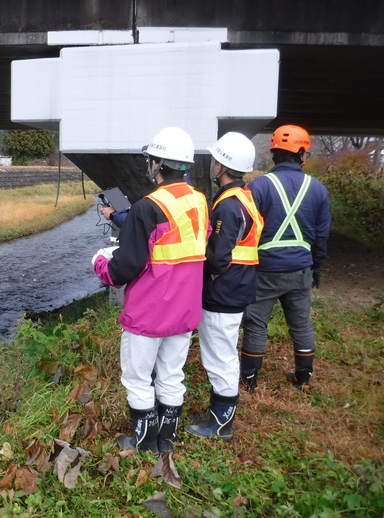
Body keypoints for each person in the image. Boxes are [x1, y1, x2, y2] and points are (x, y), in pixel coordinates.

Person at [92, 126, 209, 454]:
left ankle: (144, 443)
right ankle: (166, 440)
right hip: (184, 309)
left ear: (158, 164)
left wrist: (101, 263)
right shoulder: (199, 202)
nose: (149, 165)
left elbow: (126, 266)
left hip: (149, 310)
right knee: (172, 374)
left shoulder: (148, 206)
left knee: (138, 377)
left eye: (151, 160)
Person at [184, 132, 263, 441]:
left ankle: (220, 425)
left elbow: (218, 257)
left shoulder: (228, 206)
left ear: (221, 166)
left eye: (215, 160)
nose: (212, 165)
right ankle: (216, 414)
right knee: (223, 353)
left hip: (224, 291)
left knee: (220, 357)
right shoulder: (244, 196)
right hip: (238, 287)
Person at [240, 124, 331, 392]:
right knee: (301, 323)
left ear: (274, 153)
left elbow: (245, 230)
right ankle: (303, 378)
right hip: (300, 269)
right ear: (302, 153)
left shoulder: (257, 187)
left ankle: (249, 380)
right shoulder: (317, 189)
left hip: (264, 270)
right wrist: (317, 267)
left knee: (256, 324)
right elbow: (322, 236)